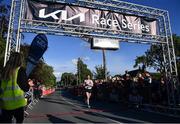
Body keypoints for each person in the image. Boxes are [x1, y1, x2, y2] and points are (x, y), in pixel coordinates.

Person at [0, 52, 29, 123]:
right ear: (20, 60)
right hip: (17, 104)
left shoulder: (4, 70)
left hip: (5, 104)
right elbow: (25, 88)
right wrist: (29, 84)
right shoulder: (20, 70)